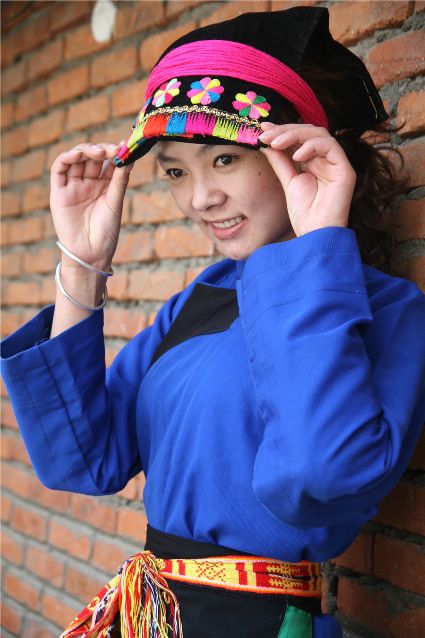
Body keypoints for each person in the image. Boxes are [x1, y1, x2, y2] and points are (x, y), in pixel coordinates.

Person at [1, 6, 425, 638]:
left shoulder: (386, 311)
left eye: (225, 159)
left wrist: (315, 251)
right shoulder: (196, 301)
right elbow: (82, 460)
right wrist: (83, 268)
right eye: (176, 170)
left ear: (300, 152)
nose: (200, 198)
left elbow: (318, 478)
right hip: (152, 618)